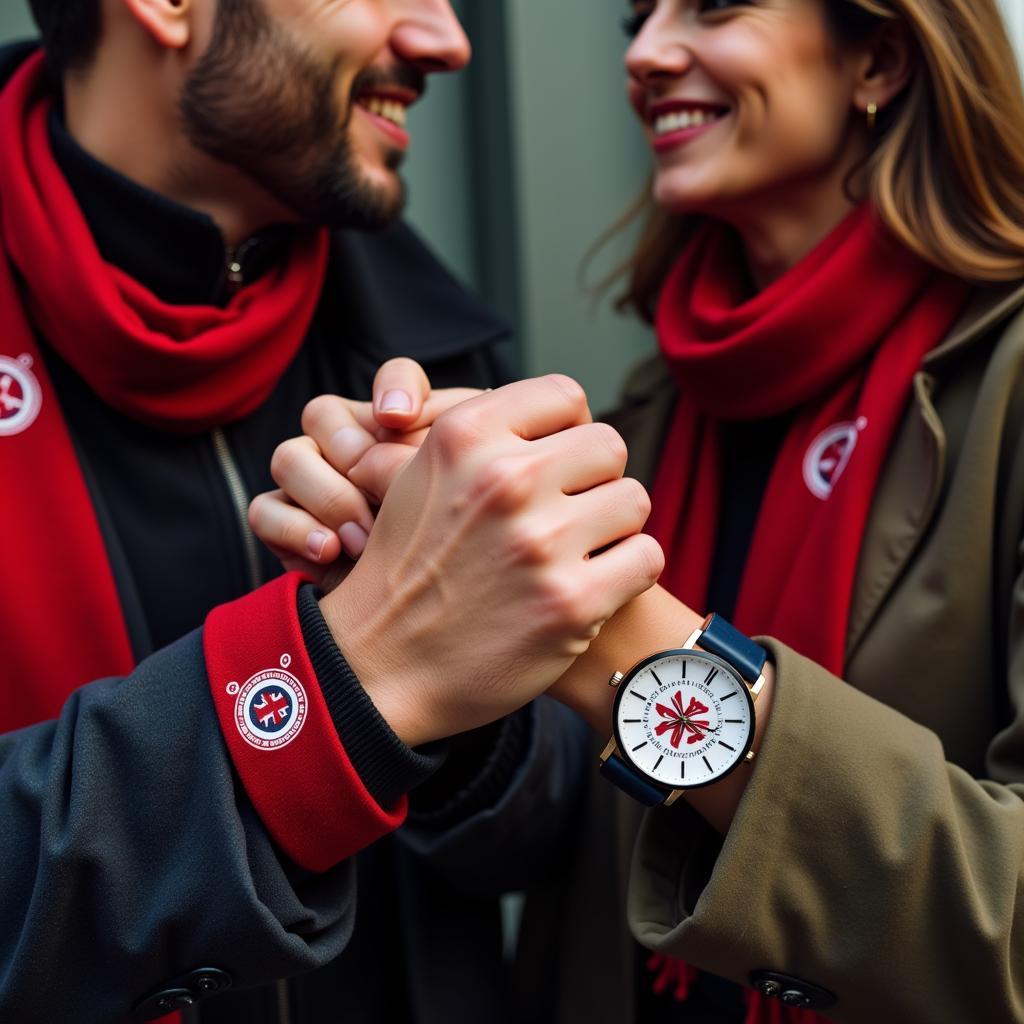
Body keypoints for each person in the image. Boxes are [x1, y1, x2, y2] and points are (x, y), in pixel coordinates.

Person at [253, 0, 1024, 1020]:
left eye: (710, 8)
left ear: (878, 55)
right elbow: (554, 845)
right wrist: (416, 626)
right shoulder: (647, 416)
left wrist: (632, 649)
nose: (648, 55)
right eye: (637, 19)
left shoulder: (1007, 388)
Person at [0, 0, 664, 1021]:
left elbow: (545, 835)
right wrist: (349, 682)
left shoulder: (434, 357)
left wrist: (458, 716)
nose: (446, 39)